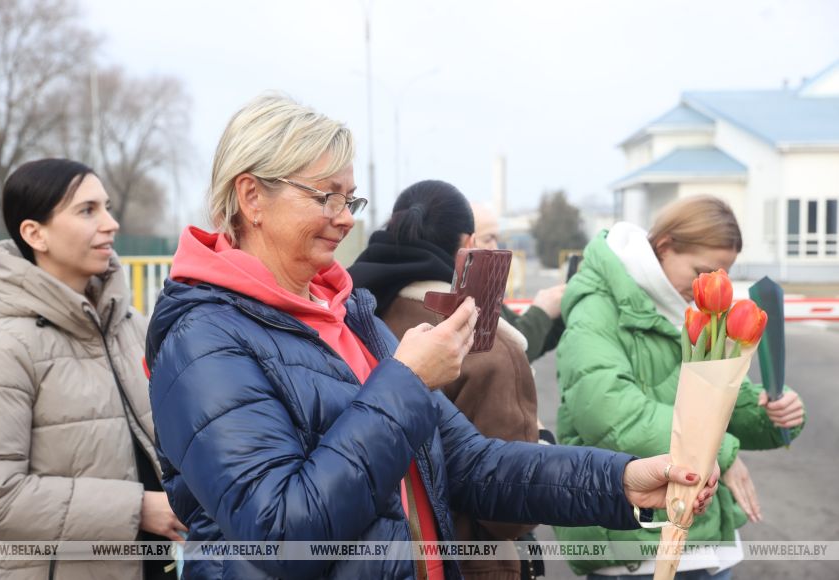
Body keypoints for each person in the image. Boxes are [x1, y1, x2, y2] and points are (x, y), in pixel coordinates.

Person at [145, 93, 718, 580]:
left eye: (351, 198)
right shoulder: (204, 337)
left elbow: (475, 465)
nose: (346, 217)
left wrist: (620, 482)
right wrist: (408, 381)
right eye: (326, 196)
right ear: (251, 198)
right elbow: (283, 528)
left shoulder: (346, 314)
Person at [553, 195, 806, 579]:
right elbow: (610, 415)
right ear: (666, 246)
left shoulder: (686, 305)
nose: (710, 284)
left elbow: (720, 399)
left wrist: (772, 411)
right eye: (702, 271)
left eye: (723, 274)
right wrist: (721, 452)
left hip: (708, 548)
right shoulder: (596, 307)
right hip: (634, 549)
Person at [0, 159, 185, 580]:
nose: (111, 223)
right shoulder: (0, 348)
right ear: (35, 233)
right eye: (88, 211)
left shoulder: (133, 327)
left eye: (105, 206)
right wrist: (138, 509)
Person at [349, 180, 546, 580]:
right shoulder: (487, 344)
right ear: (469, 243)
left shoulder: (352, 317)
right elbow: (510, 511)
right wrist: (544, 444)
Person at [470, 202, 565, 362]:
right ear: (467, 242)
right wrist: (542, 311)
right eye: (488, 239)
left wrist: (559, 316)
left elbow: (525, 338)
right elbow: (512, 355)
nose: (495, 248)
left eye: (496, 239)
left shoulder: (484, 292)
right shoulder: (468, 299)